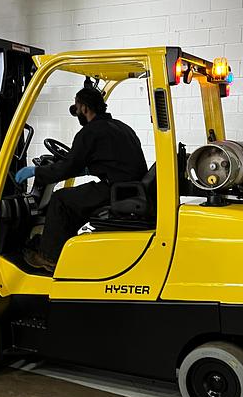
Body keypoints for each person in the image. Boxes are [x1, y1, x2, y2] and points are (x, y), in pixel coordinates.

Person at [15, 87, 148, 274]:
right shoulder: (121, 127)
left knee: (60, 200)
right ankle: (61, 245)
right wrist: (87, 168)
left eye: (77, 107)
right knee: (76, 199)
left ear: (84, 108)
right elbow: (112, 160)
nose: (76, 112)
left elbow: (68, 167)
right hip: (129, 188)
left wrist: (37, 171)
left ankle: (49, 257)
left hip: (116, 191)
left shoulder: (90, 132)